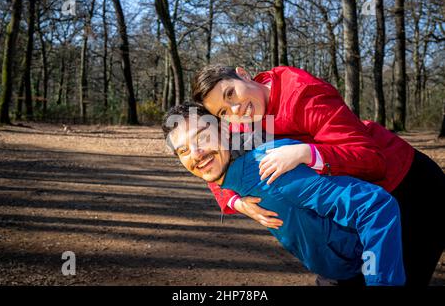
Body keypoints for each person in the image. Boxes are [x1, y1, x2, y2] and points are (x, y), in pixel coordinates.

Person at [191, 65, 445, 286]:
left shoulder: (304, 93)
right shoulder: (240, 121)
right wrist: (238, 203)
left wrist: (306, 152)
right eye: (223, 112)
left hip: (409, 189)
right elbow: (213, 167)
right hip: (347, 204)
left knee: (391, 276)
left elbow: (370, 159)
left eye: (230, 93)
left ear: (243, 75)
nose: (236, 110)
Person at [162, 102, 407, 286]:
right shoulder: (231, 175)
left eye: (202, 137)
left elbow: (375, 207)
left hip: (360, 270)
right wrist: (235, 202)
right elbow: (214, 176)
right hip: (331, 271)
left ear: (225, 132)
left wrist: (379, 278)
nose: (196, 153)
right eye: (183, 150)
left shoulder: (272, 170)